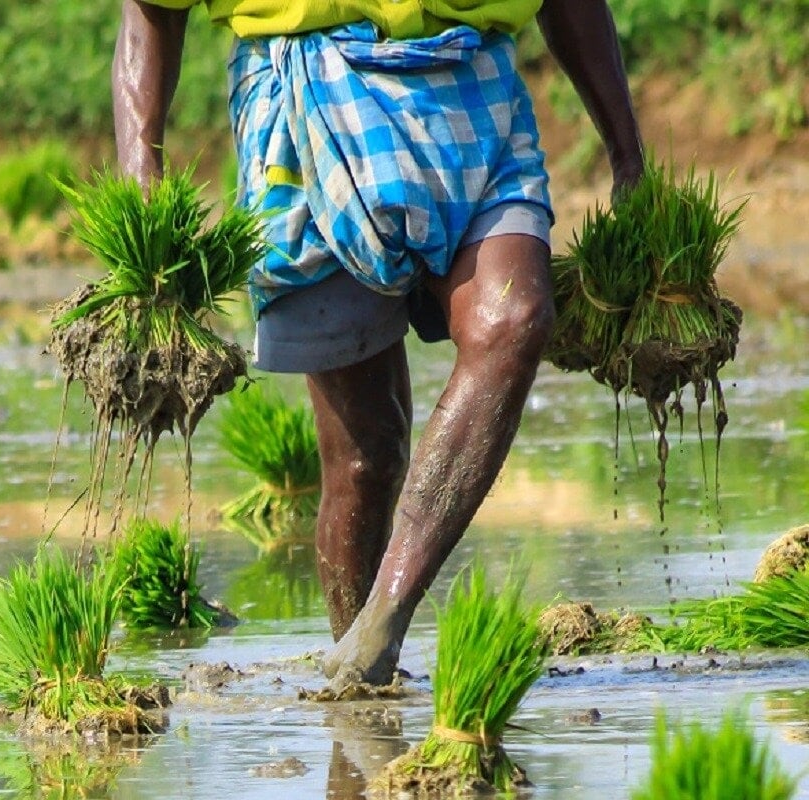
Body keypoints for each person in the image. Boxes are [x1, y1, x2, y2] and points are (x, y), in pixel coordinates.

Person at [113, 0, 644, 687]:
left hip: (471, 84)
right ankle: (359, 673)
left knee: (513, 321)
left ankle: (383, 619)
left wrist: (627, 153)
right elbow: (152, 9)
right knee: (365, 454)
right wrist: (140, 171)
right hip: (305, 99)